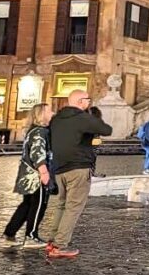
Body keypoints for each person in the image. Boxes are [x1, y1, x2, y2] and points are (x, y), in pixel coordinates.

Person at [39, 89, 112, 258]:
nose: (89, 103)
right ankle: (60, 245)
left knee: (61, 204)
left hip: (59, 168)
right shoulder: (82, 118)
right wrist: (90, 117)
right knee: (73, 208)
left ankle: (52, 241)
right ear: (80, 101)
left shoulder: (56, 119)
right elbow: (106, 129)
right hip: (78, 167)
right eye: (88, 100)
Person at [1, 103, 53, 249]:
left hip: (28, 174)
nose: (52, 113)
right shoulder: (40, 132)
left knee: (26, 205)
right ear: (42, 114)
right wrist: (44, 172)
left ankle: (9, 234)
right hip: (35, 175)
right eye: (49, 110)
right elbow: (37, 152)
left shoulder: (33, 130)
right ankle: (31, 235)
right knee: (38, 206)